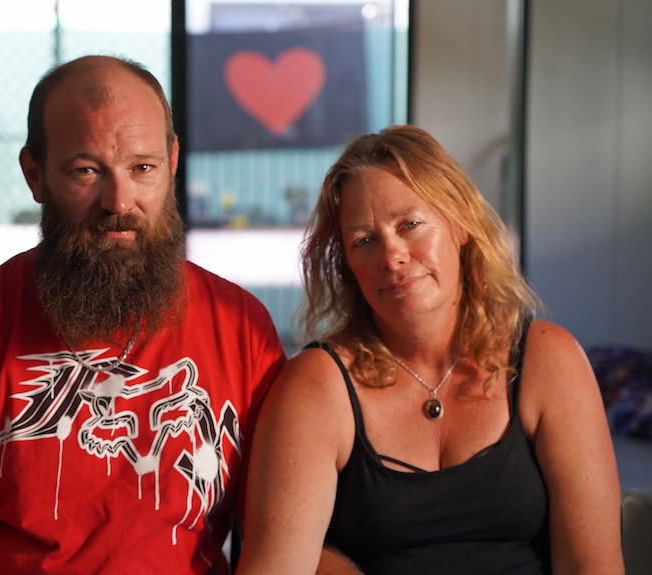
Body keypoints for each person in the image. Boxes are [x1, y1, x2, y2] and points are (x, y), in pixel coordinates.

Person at [0, 55, 286, 574]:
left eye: (143, 168)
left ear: (173, 163)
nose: (119, 200)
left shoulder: (243, 329)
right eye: (86, 170)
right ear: (34, 175)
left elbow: (280, 548)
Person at [235, 125, 624, 574]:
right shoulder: (317, 385)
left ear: (460, 224)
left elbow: (594, 567)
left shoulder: (548, 360)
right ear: (347, 266)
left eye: (410, 225)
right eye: (364, 240)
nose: (392, 256)